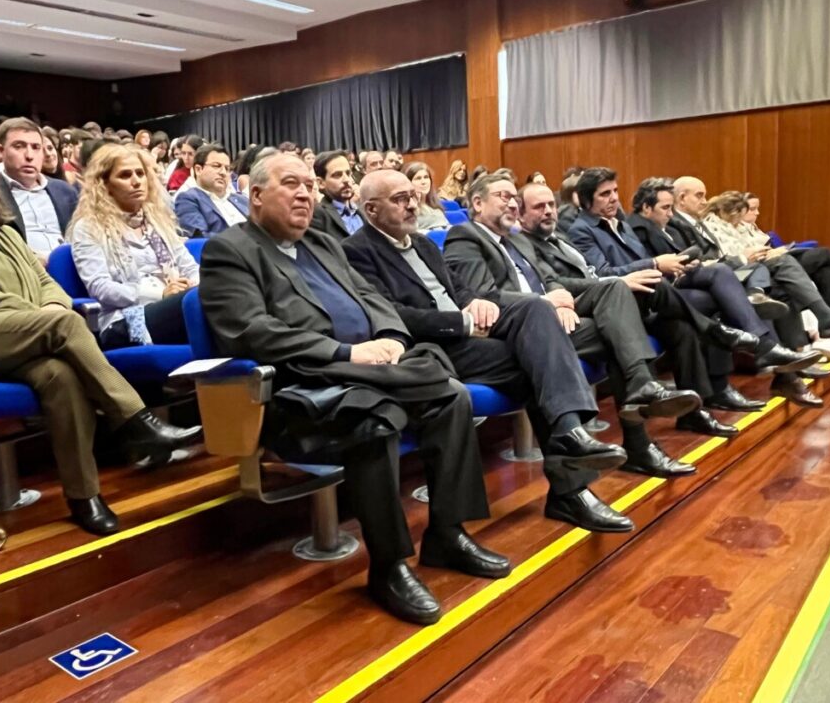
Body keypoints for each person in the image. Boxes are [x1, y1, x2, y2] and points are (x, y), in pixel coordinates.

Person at [199, 152, 510, 625]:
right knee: (380, 413)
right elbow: (250, 332)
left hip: (371, 373)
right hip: (304, 390)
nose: (306, 193)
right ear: (255, 195)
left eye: (310, 185)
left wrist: (389, 338)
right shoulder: (229, 251)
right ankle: (388, 567)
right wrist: (346, 354)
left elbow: (372, 298)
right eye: (291, 184)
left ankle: (446, 534)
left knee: (451, 396)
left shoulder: (324, 243)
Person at [0, 145, 201, 535]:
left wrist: (48, 307)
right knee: (64, 325)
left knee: (58, 374)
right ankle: (135, 420)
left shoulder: (3, 232)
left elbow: (48, 285)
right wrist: (30, 312)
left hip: (11, 337)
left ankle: (85, 497)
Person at [344, 170, 635, 533]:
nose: (412, 203)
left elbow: (458, 289)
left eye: (411, 195)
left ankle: (568, 439)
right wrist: (462, 322)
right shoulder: (356, 252)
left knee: (535, 310)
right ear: (371, 209)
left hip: (469, 332)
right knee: (537, 363)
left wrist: (476, 304)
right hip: (434, 346)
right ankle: (570, 485)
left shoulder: (420, 243)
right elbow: (390, 315)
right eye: (399, 198)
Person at [444, 171, 706, 468]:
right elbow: (483, 298)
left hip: (555, 317)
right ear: (477, 203)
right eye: (504, 197)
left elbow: (551, 279)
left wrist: (562, 301)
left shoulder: (517, 241)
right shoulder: (464, 236)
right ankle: (637, 444)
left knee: (615, 300)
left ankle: (641, 390)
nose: (513, 205)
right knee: (616, 333)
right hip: (519, 331)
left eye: (515, 199)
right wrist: (545, 303)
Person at [624, 178, 825, 407]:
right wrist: (669, 266)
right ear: (646, 207)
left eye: (671, 207)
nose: (671, 213)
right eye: (665, 208)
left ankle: (747, 373)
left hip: (681, 287)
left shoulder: (666, 226)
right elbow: (648, 269)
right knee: (725, 287)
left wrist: (687, 264)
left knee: (733, 296)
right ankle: (764, 355)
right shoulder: (639, 228)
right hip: (657, 297)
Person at [675, 181, 830, 338]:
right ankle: (829, 315)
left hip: (735, 268)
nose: (704, 200)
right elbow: (712, 258)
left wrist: (756, 254)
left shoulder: (697, 224)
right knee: (802, 259)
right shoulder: (696, 224)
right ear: (682, 198)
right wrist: (745, 256)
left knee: (802, 278)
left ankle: (804, 348)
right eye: (699, 195)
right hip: (723, 273)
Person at [68, 144, 198, 350]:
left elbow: (189, 266)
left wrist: (194, 284)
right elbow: (101, 288)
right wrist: (161, 294)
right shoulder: (89, 227)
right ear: (105, 184)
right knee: (202, 303)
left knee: (213, 294)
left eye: (140, 173)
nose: (136, 181)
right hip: (124, 320)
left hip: (174, 305)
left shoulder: (156, 219)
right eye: (125, 175)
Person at [0, 117, 80, 263]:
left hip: (72, 268)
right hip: (24, 271)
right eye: (19, 146)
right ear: (0, 151)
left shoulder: (64, 190)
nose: (30, 156)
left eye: (36, 147)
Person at [175, 143, 249, 237]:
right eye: (216, 166)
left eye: (227, 169)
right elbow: (200, 237)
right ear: (198, 170)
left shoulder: (243, 200)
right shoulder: (188, 199)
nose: (223, 173)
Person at [310, 150, 363, 239]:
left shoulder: (362, 209)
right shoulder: (316, 216)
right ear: (321, 183)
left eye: (348, 173)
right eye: (337, 175)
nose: (347, 180)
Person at [403, 161, 449, 231]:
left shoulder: (435, 206)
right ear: (408, 182)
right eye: (418, 178)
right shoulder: (407, 209)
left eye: (426, 177)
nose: (423, 182)